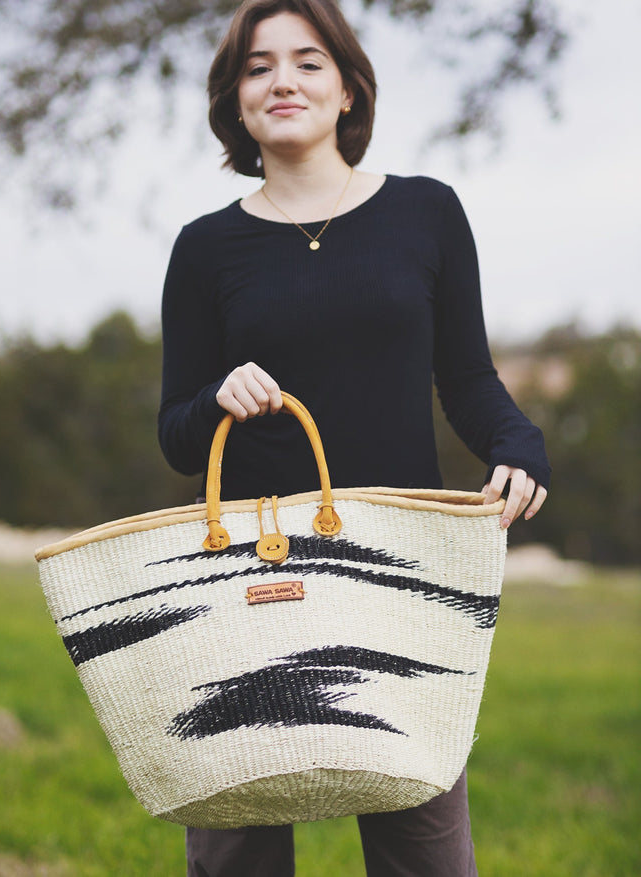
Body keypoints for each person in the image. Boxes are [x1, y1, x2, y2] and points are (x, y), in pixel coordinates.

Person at [157, 0, 550, 873]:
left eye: (307, 61)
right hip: (252, 576)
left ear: (347, 90)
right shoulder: (204, 248)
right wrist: (217, 397)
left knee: (424, 843)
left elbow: (470, 379)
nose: (282, 80)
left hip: (396, 566)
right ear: (236, 102)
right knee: (238, 842)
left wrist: (519, 444)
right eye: (258, 67)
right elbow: (178, 435)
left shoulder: (426, 214)